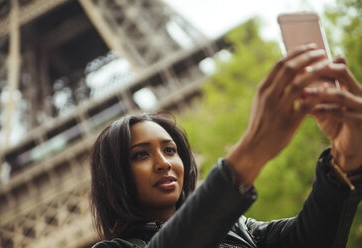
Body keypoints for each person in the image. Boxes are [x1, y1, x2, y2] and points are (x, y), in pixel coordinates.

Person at [90, 44, 362, 248]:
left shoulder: (240, 229)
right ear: (115, 176)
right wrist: (252, 150)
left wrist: (344, 161)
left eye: (170, 149)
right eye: (140, 155)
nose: (164, 162)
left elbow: (310, 240)